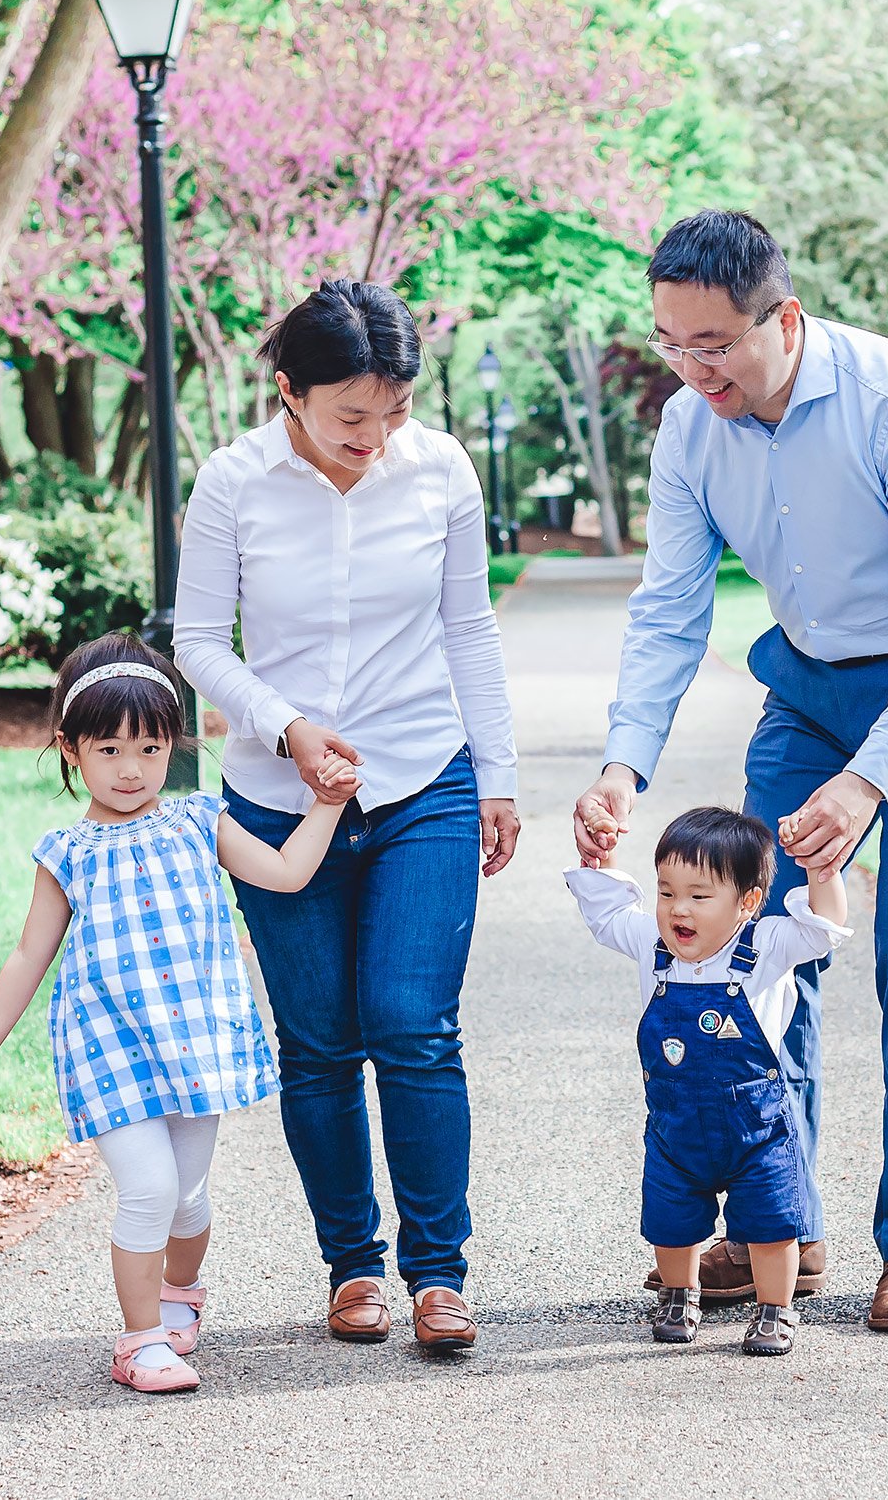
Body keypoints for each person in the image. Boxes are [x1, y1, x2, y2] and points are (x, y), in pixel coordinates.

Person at [571, 210, 888, 1333]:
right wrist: (625, 763)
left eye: (714, 343)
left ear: (787, 318)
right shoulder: (688, 427)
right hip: (811, 692)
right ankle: (785, 1225)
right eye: (673, 342)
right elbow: (670, 608)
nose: (693, 368)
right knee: (754, 946)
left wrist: (871, 779)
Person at [173, 280, 520, 1354]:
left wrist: (497, 774)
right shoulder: (234, 482)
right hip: (281, 799)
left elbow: (469, 626)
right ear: (289, 391)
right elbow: (196, 641)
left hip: (422, 778)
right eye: (350, 417)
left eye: (394, 412)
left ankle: (438, 1274)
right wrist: (284, 728)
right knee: (318, 1044)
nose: (376, 437)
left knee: (414, 1026)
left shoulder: (441, 470)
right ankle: (352, 1266)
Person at [0, 633, 356, 1395]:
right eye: (108, 749)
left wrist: (328, 804)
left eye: (150, 748)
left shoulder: (201, 821)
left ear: (175, 746)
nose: (130, 770)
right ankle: (140, 1343)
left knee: (189, 1195)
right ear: (69, 750)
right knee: (150, 1190)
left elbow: (289, 873)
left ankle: (178, 1295)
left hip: (194, 1043)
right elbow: (29, 955)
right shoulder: (65, 852)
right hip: (109, 1046)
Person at [566, 806, 849, 1357]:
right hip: (677, 1127)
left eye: (699, 895)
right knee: (671, 1220)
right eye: (667, 892)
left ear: (746, 902)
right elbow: (606, 916)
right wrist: (602, 860)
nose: (678, 910)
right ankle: (679, 1292)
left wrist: (822, 873)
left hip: (756, 1127)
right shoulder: (653, 946)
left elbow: (822, 931)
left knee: (771, 1225)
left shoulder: (765, 946)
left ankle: (774, 1308)